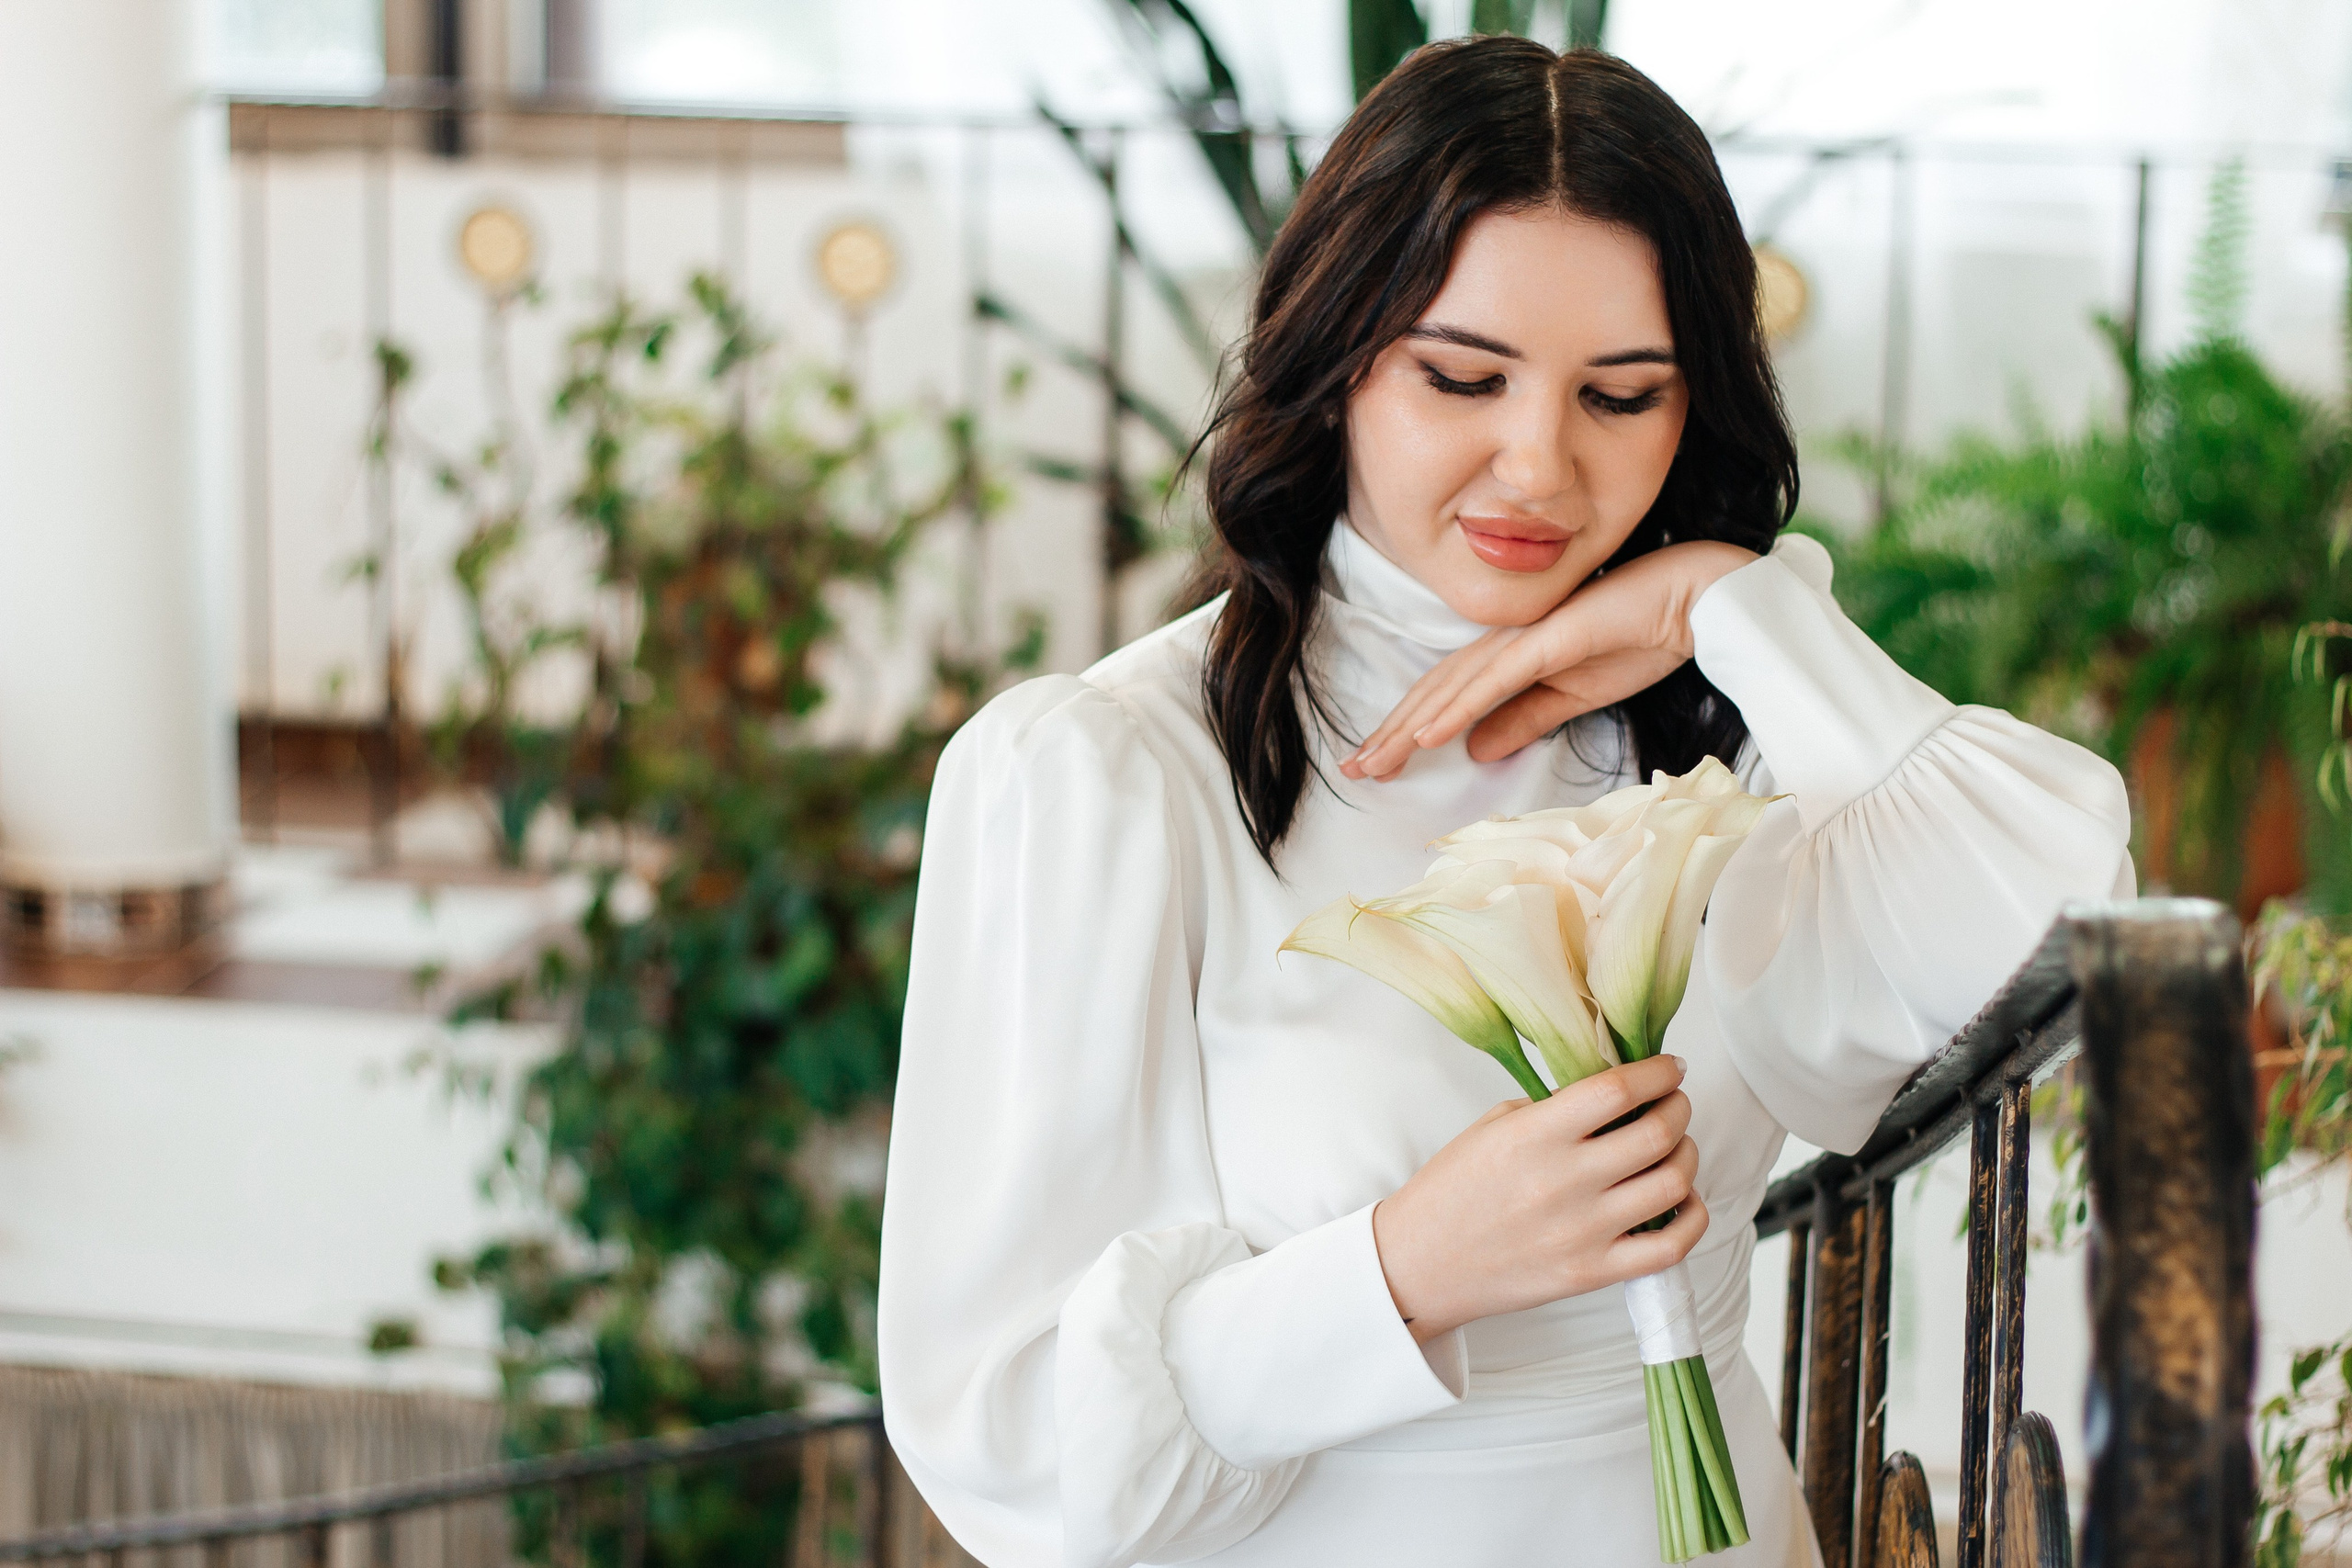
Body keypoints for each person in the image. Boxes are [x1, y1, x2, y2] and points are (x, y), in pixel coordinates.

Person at [877, 37, 2132, 1568]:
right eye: (1461, 377)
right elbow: (1004, 1439)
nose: (1538, 464)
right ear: (1336, 359)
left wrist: (1736, 612)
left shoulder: (1733, 739)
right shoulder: (1111, 777)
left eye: (1623, 395)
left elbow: (2069, 940)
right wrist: (1403, 1274)